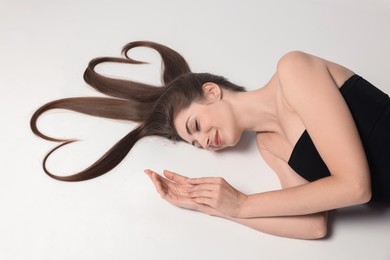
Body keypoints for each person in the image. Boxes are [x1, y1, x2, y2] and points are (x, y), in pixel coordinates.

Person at [31, 41, 390, 239]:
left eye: (196, 126)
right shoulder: (271, 147)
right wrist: (213, 206)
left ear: (212, 91)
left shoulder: (292, 69)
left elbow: (355, 186)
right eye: (197, 144)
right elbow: (314, 224)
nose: (205, 142)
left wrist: (243, 203)